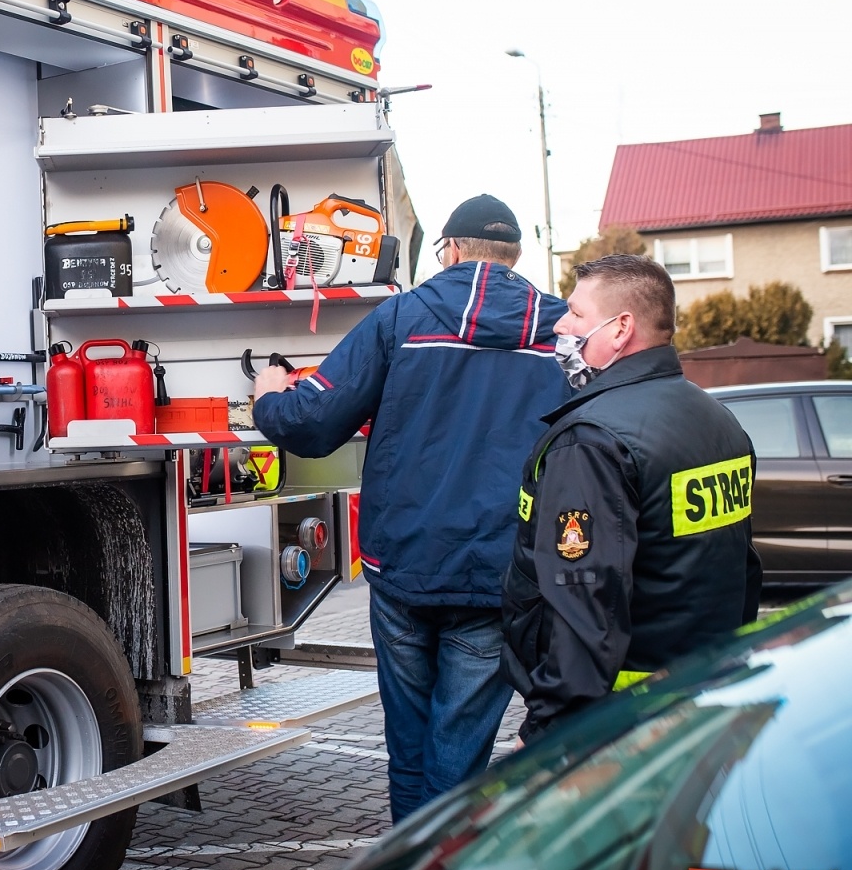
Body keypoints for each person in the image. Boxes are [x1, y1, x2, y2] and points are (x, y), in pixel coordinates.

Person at [253, 194, 568, 823]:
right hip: (500, 574)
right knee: (459, 754)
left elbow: (313, 425)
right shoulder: (562, 333)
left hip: (403, 569)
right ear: (515, 256)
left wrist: (268, 395)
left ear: (449, 250)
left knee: (410, 750)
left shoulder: (404, 317)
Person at [501, 254, 762, 743]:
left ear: (621, 328)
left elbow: (585, 602)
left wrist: (550, 728)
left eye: (577, 314)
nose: (561, 323)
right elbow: (742, 571)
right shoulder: (718, 419)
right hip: (702, 693)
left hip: (619, 719)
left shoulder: (592, 440)